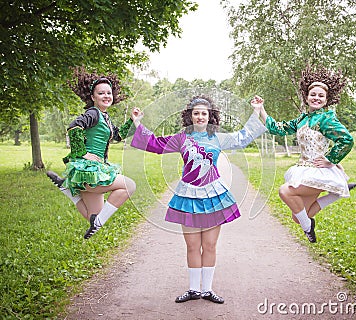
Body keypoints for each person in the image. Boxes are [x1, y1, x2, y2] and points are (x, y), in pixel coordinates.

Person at [129, 95, 266, 304]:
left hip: (214, 197)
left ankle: (207, 290)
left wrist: (256, 111)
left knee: (210, 245)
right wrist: (137, 122)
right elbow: (156, 144)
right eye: (196, 113)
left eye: (204, 113)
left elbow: (242, 137)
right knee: (192, 246)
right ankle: (194, 289)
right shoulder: (182, 138)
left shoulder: (217, 137)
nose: (200, 117)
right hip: (188, 196)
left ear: (210, 116)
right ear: (190, 116)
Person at [256, 65, 354, 243]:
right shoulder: (302, 119)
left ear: (326, 100)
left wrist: (330, 160)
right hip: (303, 169)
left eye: (321, 95)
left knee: (285, 191)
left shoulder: (326, 118)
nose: (316, 98)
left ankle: (309, 228)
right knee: (299, 216)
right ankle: (336, 194)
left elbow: (346, 140)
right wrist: (261, 110)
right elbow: (278, 128)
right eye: (313, 94)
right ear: (307, 97)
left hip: (318, 170)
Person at [46, 66, 136, 239]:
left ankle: (67, 189)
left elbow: (117, 136)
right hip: (89, 170)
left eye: (108, 93)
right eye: (101, 93)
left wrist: (133, 120)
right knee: (129, 185)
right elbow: (74, 127)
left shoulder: (104, 117)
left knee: (93, 215)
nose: (106, 96)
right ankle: (94, 218)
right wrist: (82, 153)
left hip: (92, 172)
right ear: (93, 97)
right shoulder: (93, 113)